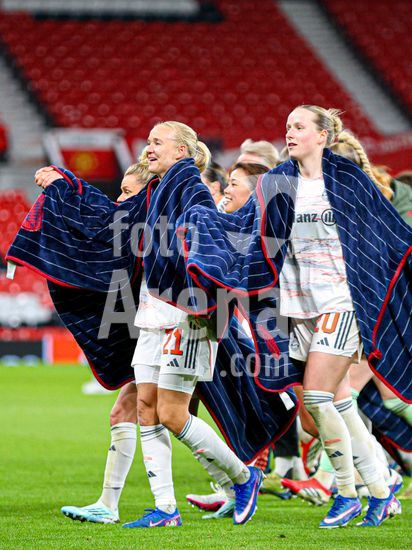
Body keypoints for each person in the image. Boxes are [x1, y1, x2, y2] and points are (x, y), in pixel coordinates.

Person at [124, 121, 263, 528]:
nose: (149, 148)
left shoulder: (193, 189)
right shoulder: (159, 189)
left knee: (171, 413)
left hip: (188, 316)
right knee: (146, 409)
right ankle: (166, 509)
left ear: (181, 152)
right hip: (154, 310)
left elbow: (211, 249)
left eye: (158, 142)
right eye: (148, 141)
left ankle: (243, 477)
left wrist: (206, 298)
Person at [275, 105, 403, 528]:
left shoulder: (348, 181)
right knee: (342, 404)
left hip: (341, 301)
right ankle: (381, 492)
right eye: (288, 126)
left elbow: (390, 235)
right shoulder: (280, 181)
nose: (290, 132)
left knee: (315, 397)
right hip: (300, 306)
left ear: (322, 136)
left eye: (299, 126)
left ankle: (345, 493)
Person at [35, 160, 151, 524]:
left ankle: (240, 479)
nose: (120, 200)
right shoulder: (138, 224)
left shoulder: (152, 220)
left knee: (174, 416)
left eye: (127, 192)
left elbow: (99, 218)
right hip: (159, 333)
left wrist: (66, 185)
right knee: (136, 413)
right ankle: (109, 504)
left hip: (180, 331)